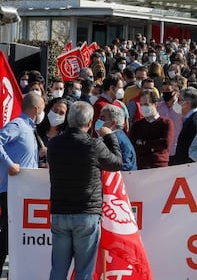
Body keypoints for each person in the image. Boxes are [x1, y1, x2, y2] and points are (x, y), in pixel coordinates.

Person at [47, 101, 122, 279]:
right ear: (89, 124)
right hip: (86, 214)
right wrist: (110, 136)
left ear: (69, 120)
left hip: (60, 213)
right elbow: (117, 163)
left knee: (58, 270)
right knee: (84, 272)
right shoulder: (94, 145)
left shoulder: (54, 144)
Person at [0, 93, 45, 271]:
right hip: (12, 190)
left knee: (17, 235)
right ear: (36, 109)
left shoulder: (30, 129)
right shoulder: (17, 125)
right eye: (42, 108)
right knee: (7, 235)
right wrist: (10, 164)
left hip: (25, 192)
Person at [129, 90, 174, 169]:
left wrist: (143, 143)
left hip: (160, 165)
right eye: (141, 105)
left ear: (155, 104)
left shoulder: (166, 123)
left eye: (146, 104)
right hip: (142, 165)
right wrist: (154, 144)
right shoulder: (136, 125)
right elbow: (133, 144)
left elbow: (165, 143)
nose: (143, 107)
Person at [172, 87, 197, 165]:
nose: (176, 103)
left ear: (187, 103)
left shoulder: (195, 122)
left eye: (179, 100)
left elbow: (194, 149)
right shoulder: (190, 119)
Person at [99, 104, 137, 171]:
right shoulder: (117, 136)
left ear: (113, 123)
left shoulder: (116, 139)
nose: (99, 121)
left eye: (102, 118)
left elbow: (126, 165)